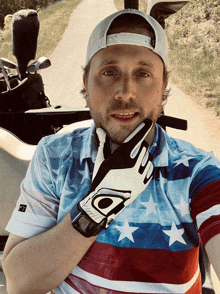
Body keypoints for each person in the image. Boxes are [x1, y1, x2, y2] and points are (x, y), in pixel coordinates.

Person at [2, 9, 220, 294]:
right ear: (86, 82)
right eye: (109, 72)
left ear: (164, 85)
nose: (125, 92)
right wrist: (96, 209)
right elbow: (20, 281)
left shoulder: (196, 171)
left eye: (143, 74)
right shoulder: (55, 156)